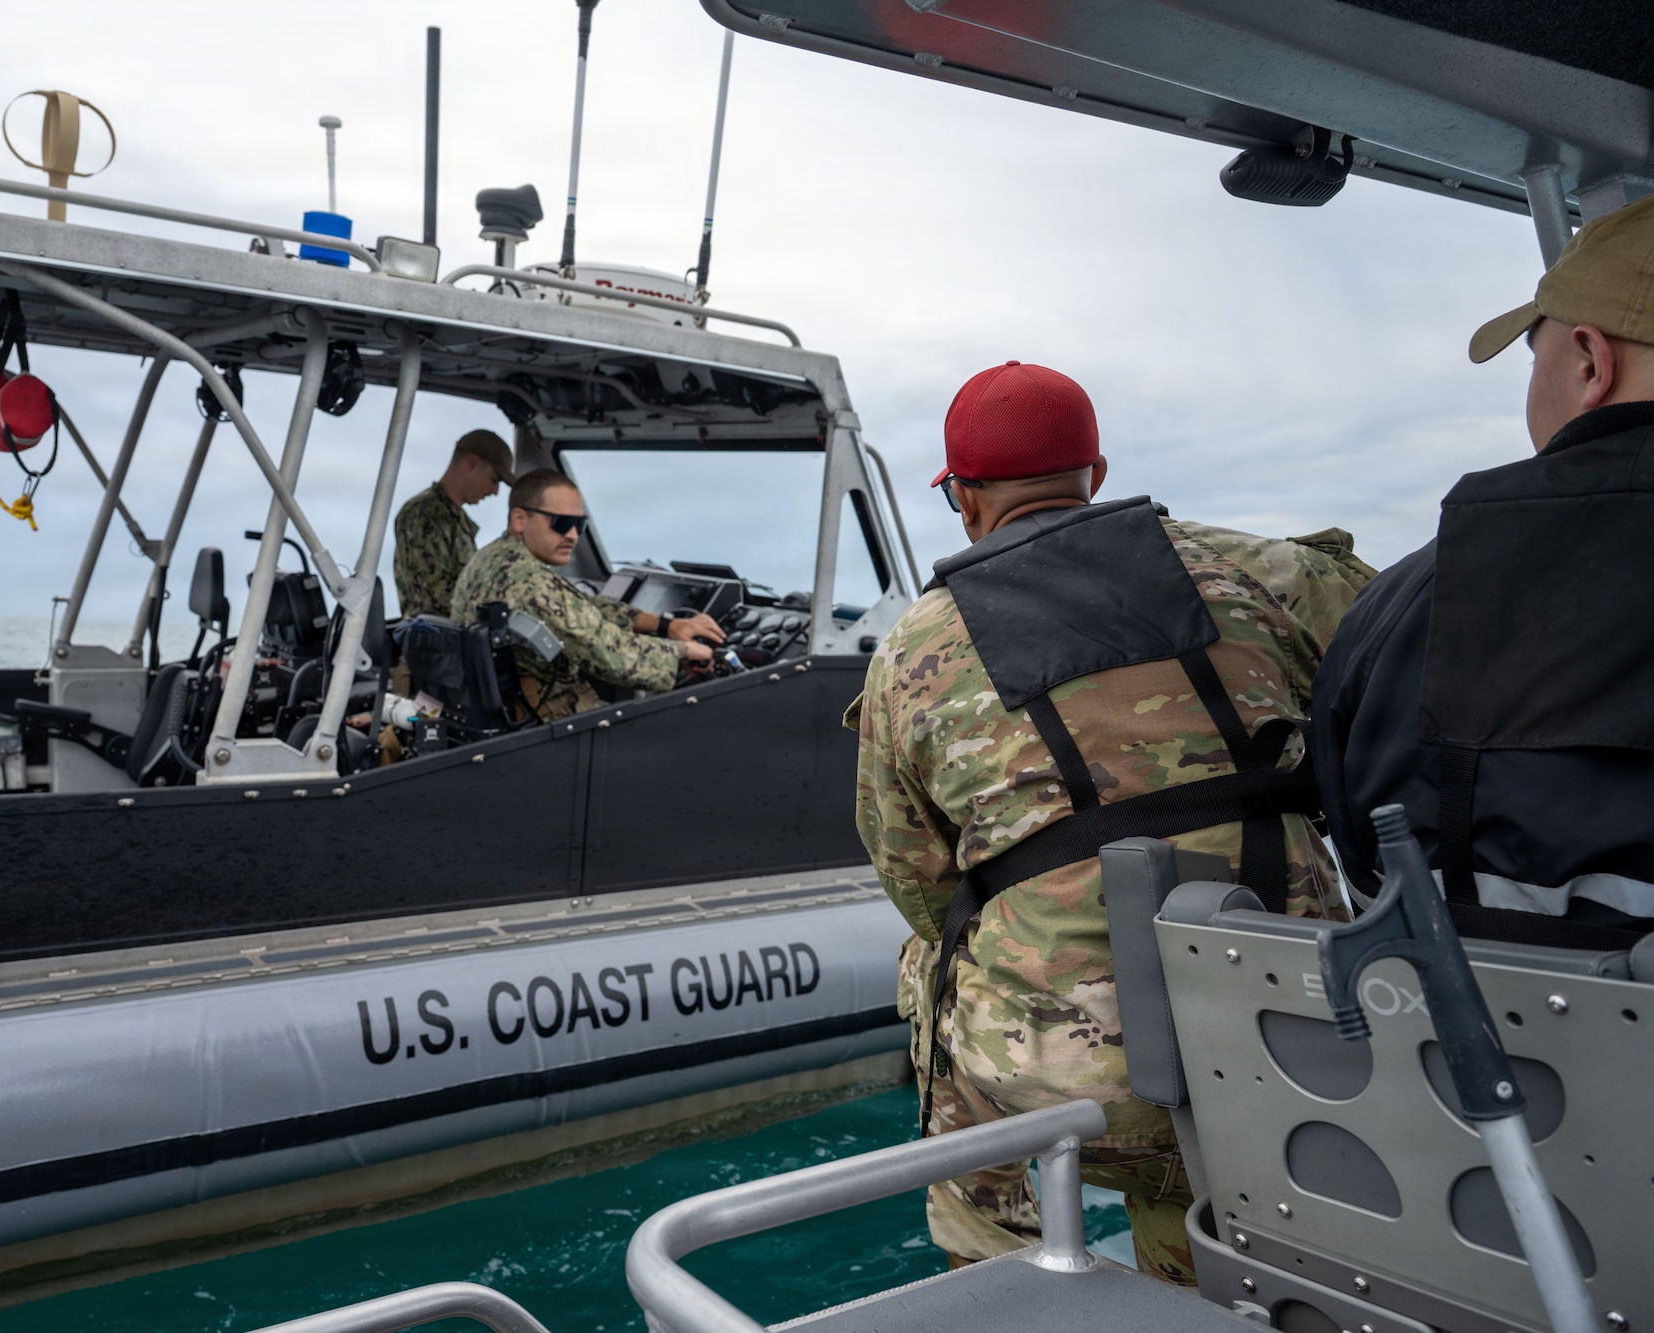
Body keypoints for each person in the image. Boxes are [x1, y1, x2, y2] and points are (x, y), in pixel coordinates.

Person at [850, 361, 1374, 1282]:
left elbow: (914, 873)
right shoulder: (1265, 572)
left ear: (964, 500)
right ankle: (1202, 1275)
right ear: (1094, 473)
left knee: (936, 960)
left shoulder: (909, 651)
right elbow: (1397, 675)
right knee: (1200, 1167)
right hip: (1293, 1050)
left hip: (1065, 1090)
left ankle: (992, 1267)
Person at [1310, 193, 1654, 943]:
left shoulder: (1402, 607)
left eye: (1539, 360)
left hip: (1490, 1051)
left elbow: (1365, 861)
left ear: (1593, 361)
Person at [449, 469, 724, 720]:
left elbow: (582, 606)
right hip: (543, 721)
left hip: (500, 710)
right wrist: (685, 651)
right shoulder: (530, 583)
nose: (572, 535)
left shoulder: (491, 558)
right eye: (561, 522)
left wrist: (666, 625)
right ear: (520, 519)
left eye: (579, 525)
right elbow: (609, 654)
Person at [392, 430, 518, 619]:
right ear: (472, 463)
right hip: (434, 639)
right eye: (494, 480)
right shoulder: (425, 513)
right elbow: (432, 598)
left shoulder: (455, 518)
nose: (495, 491)